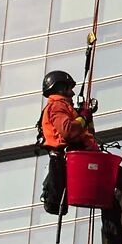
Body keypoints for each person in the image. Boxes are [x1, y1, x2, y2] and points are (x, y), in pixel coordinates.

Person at [36, 70, 100, 217]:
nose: (72, 92)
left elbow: (86, 133)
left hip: (73, 158)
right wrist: (83, 117)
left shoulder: (66, 108)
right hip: (69, 159)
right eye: (69, 88)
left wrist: (86, 116)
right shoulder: (57, 106)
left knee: (110, 198)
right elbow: (68, 130)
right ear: (60, 88)